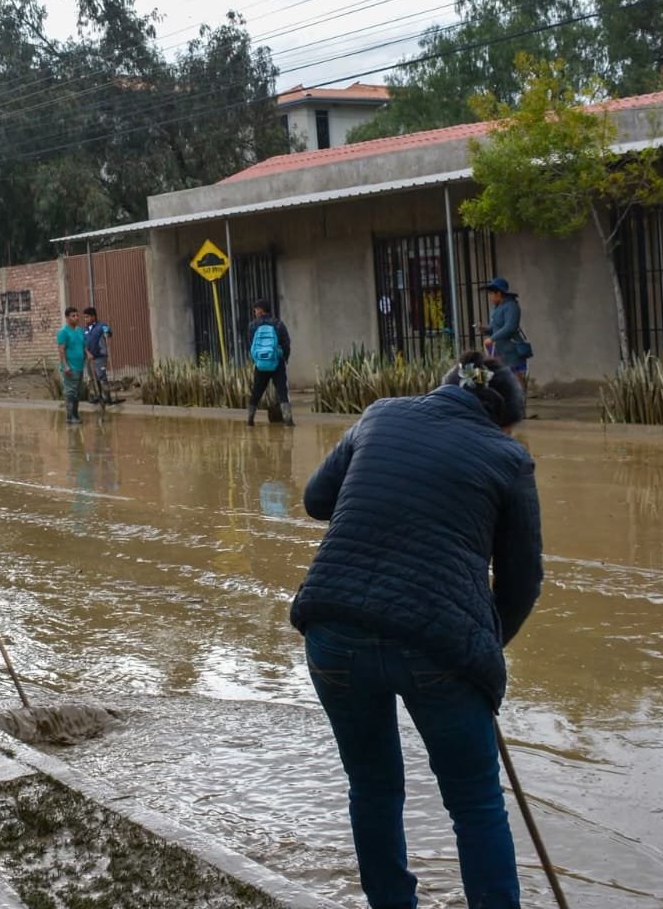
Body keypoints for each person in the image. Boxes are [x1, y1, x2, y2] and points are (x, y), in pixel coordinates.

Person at [291, 353, 540, 908]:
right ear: (504, 421)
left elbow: (316, 500)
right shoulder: (508, 458)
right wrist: (482, 646)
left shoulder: (381, 415)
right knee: (475, 803)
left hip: (333, 626)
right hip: (439, 650)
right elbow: (522, 581)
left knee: (372, 787)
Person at [245, 298, 294, 427]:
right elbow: (286, 344)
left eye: (256, 310)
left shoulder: (252, 326)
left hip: (261, 365)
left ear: (261, 310)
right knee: (282, 392)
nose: (255, 312)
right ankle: (288, 420)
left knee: (256, 392)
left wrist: (257, 360)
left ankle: (250, 420)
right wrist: (284, 358)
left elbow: (251, 346)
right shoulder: (278, 324)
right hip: (277, 363)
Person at [478, 277, 528, 390]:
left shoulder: (512, 306)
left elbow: (510, 327)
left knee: (516, 374)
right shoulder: (496, 308)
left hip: (511, 347)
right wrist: (485, 329)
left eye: (491, 293)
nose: (490, 297)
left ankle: (521, 397)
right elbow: (493, 328)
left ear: (499, 293)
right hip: (498, 348)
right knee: (497, 374)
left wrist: (492, 338)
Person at [56, 306, 87, 425]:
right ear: (67, 318)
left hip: (79, 367)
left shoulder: (80, 331)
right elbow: (61, 350)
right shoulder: (63, 332)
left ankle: (75, 415)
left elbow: (83, 346)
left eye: (77, 315)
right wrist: (65, 366)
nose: (76, 318)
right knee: (71, 392)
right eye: (73, 316)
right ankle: (70, 417)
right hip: (70, 368)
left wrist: (88, 354)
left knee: (77, 392)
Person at [82, 307, 115, 405]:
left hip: (100, 356)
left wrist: (107, 332)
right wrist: (87, 353)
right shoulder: (85, 329)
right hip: (89, 358)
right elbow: (83, 343)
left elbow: (108, 333)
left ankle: (107, 397)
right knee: (93, 378)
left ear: (93, 316)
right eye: (84, 317)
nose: (85, 319)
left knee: (102, 377)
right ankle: (98, 396)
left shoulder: (101, 326)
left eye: (87, 317)